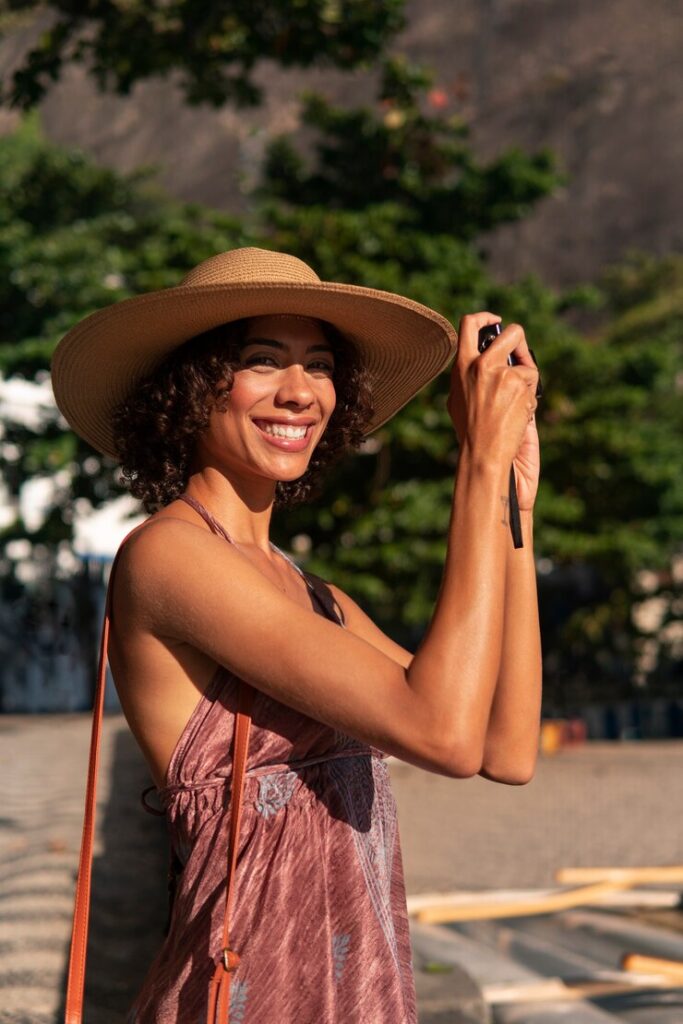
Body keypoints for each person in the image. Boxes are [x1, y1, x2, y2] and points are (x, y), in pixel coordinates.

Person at [51, 246, 542, 1023]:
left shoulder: (315, 595)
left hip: (356, 992)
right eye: (261, 360)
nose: (298, 391)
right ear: (188, 387)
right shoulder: (170, 557)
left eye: (318, 365)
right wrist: (473, 467)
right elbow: (440, 735)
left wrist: (513, 500)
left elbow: (502, 747)